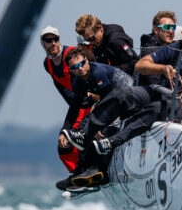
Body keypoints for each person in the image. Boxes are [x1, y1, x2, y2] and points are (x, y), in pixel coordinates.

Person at [57, 47, 133, 189]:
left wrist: (103, 126)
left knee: (97, 131)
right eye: (75, 67)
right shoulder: (79, 82)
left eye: (82, 63)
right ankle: (79, 174)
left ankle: (98, 172)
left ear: (87, 60)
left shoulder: (98, 72)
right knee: (81, 128)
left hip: (129, 101)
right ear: (71, 70)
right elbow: (74, 109)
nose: (80, 68)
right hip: (114, 104)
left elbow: (110, 102)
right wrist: (64, 131)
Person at [40, 25, 91, 172]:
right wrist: (73, 105)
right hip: (77, 104)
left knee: (77, 137)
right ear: (43, 43)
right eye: (48, 40)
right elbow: (60, 86)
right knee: (63, 144)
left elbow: (87, 69)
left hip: (89, 99)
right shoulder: (47, 64)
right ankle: (78, 174)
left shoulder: (70, 54)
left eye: (55, 39)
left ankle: (89, 169)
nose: (53, 43)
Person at [138, 11, 177, 86]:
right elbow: (154, 83)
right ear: (156, 30)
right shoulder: (149, 51)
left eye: (173, 27)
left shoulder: (172, 49)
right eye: (167, 27)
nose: (171, 31)